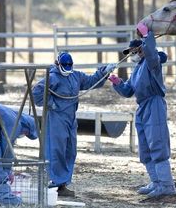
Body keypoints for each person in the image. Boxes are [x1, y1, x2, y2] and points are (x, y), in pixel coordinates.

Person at [32, 51, 115, 197]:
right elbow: (36, 94)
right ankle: (56, 183)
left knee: (70, 151)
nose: (67, 68)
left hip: (71, 119)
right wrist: (51, 103)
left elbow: (91, 81)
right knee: (56, 150)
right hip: (56, 118)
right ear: (58, 64)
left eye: (70, 66)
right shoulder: (50, 78)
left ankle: (63, 182)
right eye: (65, 66)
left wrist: (104, 72)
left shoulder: (75, 76)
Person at [108, 23, 176, 198]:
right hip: (142, 107)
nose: (130, 55)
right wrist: (117, 83)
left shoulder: (151, 63)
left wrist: (147, 37)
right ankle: (156, 182)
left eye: (132, 51)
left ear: (140, 49)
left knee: (158, 144)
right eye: (129, 52)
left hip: (154, 105)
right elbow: (128, 91)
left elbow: (153, 54)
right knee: (145, 148)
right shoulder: (137, 70)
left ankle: (167, 185)